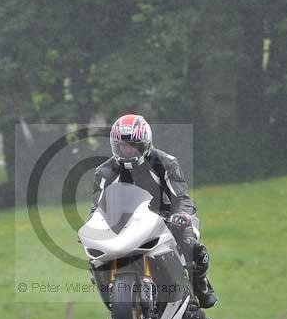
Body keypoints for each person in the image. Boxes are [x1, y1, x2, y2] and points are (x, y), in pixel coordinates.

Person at [90, 113, 217, 308]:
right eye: (121, 146)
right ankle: (112, 295)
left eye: (133, 145)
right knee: (95, 259)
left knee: (191, 246)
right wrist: (93, 227)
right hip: (125, 225)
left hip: (165, 219)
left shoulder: (165, 162)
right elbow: (97, 208)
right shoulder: (104, 172)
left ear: (145, 143)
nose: (127, 151)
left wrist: (181, 215)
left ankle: (201, 283)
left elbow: (181, 197)